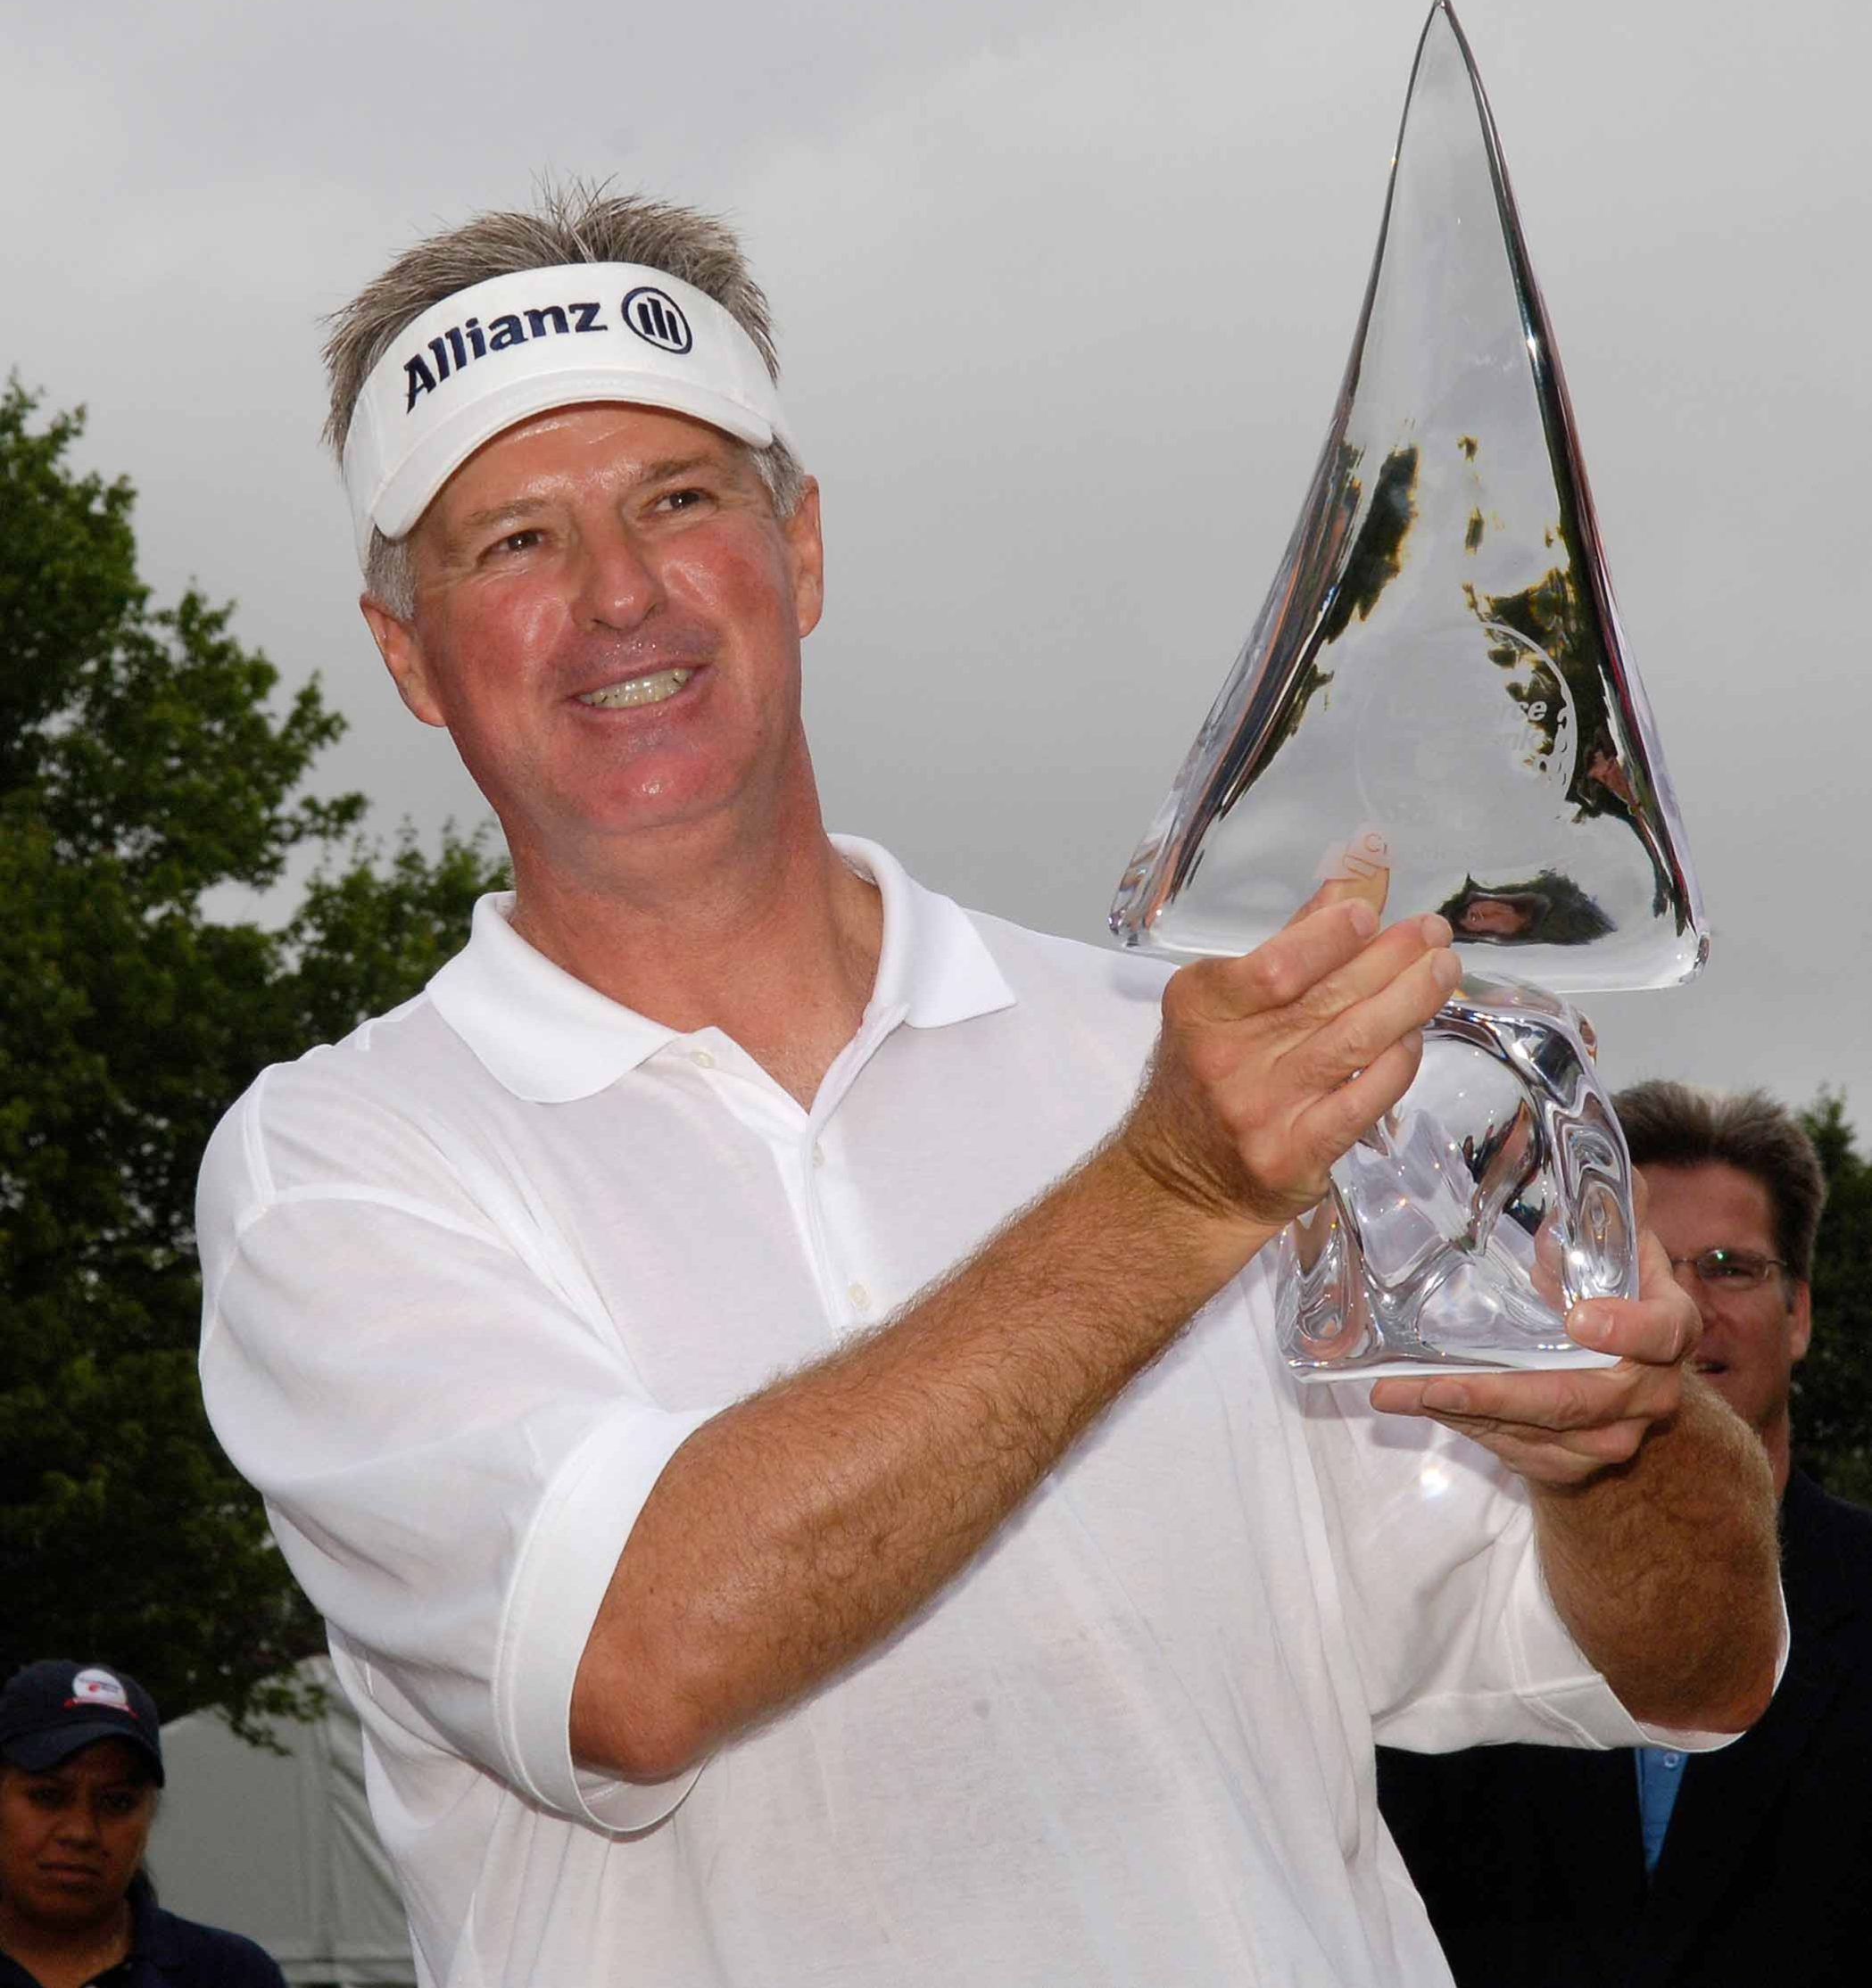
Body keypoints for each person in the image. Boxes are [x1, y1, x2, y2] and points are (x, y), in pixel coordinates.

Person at [195, 183, 1781, 1988]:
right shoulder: (340, 1161)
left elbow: (1687, 1663)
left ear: (798, 549)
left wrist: (1624, 1444)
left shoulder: (1187, 1055)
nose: (618, 595)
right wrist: (1164, 1200)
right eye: (513, 544)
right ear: (410, 653)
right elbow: (630, 1660)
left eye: (680, 500)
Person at [1379, 1081, 1872, 1987]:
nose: (1680, 1304)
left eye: (1729, 1263)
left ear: (1798, 1311)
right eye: (1636, 1258)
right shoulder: (1450, 1592)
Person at [0, 1661, 286, 1988]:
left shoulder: (229, 1974)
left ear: (150, 1814)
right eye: (48, 1796)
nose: (81, 1832)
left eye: (117, 1802)